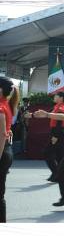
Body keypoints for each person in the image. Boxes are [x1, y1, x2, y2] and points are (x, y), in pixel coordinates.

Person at [0, 77, 19, 222]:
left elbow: (2, 135)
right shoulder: (7, 104)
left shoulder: (1, 107)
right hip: (6, 150)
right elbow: (8, 131)